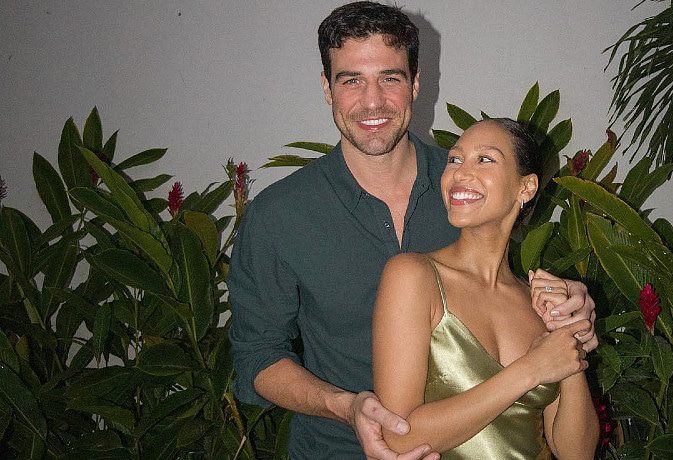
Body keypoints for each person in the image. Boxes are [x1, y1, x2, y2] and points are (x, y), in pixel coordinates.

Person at [227, 2, 598, 458]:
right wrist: (345, 405)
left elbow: (506, 292)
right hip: (336, 449)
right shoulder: (279, 215)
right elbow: (257, 355)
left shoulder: (467, 189)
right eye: (351, 81)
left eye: (390, 78)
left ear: (416, 83)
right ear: (327, 88)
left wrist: (570, 309)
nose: (372, 101)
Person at [373, 118, 599, 459]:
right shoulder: (413, 276)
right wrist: (531, 370)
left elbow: (575, 453)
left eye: (485, 159)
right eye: (454, 159)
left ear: (526, 187)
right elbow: (399, 437)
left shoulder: (538, 303)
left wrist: (567, 340)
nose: (460, 173)